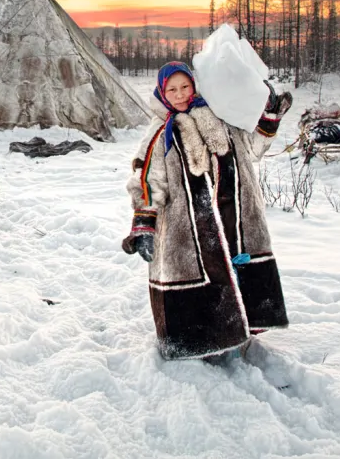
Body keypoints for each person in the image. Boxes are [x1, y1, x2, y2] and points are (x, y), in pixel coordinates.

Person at [122, 61, 293, 362]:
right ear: (162, 92)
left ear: (195, 85)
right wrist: (143, 224)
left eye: (185, 87)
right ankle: (201, 343)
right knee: (200, 275)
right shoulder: (160, 134)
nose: (180, 95)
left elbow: (253, 148)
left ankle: (240, 332)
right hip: (185, 226)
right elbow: (147, 180)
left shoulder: (220, 119)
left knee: (233, 266)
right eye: (172, 89)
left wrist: (268, 116)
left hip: (230, 215)